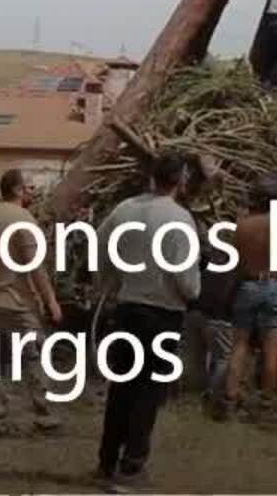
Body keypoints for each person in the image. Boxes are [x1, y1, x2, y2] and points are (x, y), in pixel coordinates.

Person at [95, 154, 200, 491]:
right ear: (181, 179)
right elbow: (184, 274)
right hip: (162, 312)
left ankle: (106, 462)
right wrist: (193, 293)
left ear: (152, 176)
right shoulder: (179, 218)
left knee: (121, 388)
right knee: (149, 392)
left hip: (127, 307)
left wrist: (109, 282)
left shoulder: (123, 210)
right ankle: (132, 467)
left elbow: (100, 246)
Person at [0, 168, 63, 438]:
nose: (33, 191)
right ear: (16, 190)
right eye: (29, 187)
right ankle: (46, 415)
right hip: (16, 301)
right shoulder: (23, 220)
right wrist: (51, 301)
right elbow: (36, 268)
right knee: (35, 355)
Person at [220, 176, 277, 418]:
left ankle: (230, 399)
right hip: (275, 286)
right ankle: (266, 402)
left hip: (247, 284)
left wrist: (230, 293)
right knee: (271, 348)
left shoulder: (243, 226)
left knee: (239, 345)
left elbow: (235, 266)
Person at [196, 228, 239, 414]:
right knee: (224, 358)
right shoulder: (234, 267)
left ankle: (195, 394)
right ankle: (214, 396)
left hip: (199, 314)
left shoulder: (207, 264)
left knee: (205, 358)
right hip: (222, 318)